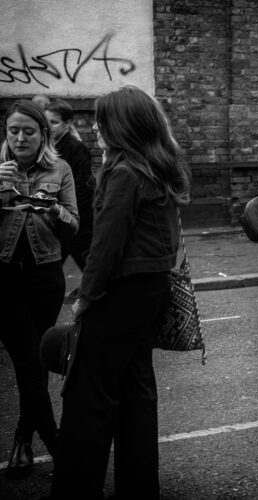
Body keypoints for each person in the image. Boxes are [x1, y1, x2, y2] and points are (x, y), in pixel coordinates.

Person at [51, 86, 190, 499]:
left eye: (101, 119)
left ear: (121, 125)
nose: (94, 126)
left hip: (121, 292)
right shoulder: (153, 165)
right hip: (149, 291)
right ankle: (139, 487)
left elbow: (106, 245)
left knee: (87, 398)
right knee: (135, 392)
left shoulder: (125, 171)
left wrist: (85, 298)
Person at [0, 100, 79, 478]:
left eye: (28, 131)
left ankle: (22, 438)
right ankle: (56, 443)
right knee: (28, 363)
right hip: (4, 282)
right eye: (13, 130)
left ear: (43, 135)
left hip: (46, 278)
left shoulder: (60, 169)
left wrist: (54, 212)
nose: (19, 137)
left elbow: (74, 225)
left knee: (37, 363)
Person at [44, 99, 94, 274]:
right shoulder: (50, 148)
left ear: (68, 124)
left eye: (54, 122)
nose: (49, 127)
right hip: (59, 220)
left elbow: (83, 188)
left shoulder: (76, 149)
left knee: (89, 267)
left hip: (76, 222)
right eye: (47, 122)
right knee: (50, 266)